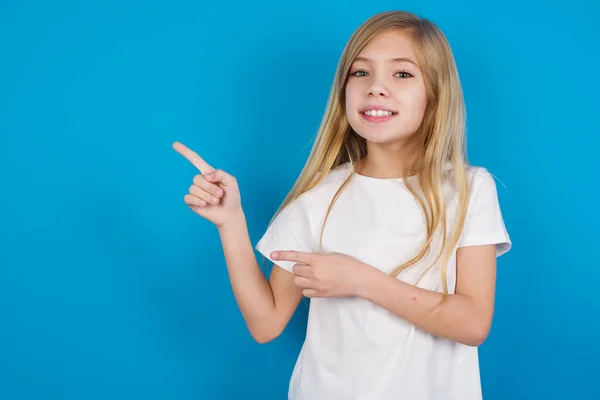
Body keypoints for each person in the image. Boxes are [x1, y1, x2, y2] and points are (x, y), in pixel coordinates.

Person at [173, 10, 511, 400]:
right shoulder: (318, 199)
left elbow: (472, 323)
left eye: (402, 74)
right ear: (343, 91)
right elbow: (265, 323)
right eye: (360, 72)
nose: (376, 88)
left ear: (435, 93)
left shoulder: (469, 189)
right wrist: (231, 222)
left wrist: (362, 280)